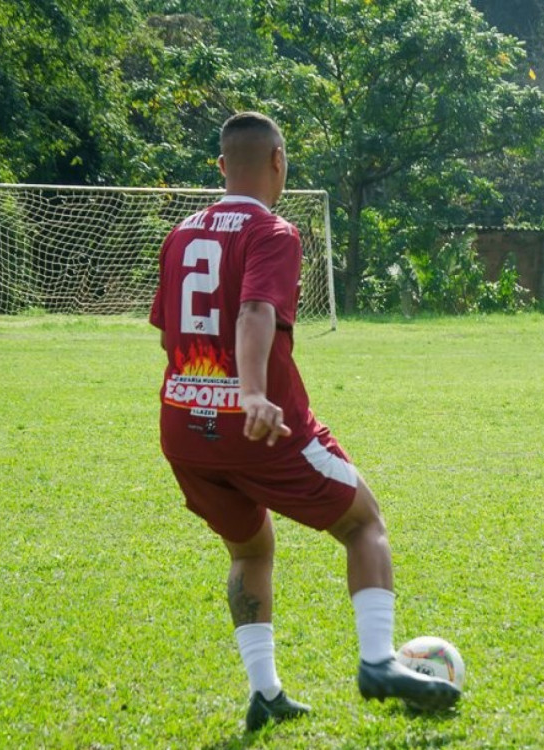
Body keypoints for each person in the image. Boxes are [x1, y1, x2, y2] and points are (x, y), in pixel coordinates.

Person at [150, 112, 459, 733]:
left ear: (220, 166)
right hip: (260, 426)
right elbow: (256, 310)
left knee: (250, 548)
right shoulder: (274, 230)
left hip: (182, 424)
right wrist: (255, 394)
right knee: (363, 522)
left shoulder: (180, 234)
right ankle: (377, 662)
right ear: (279, 162)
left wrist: (208, 395)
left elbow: (169, 332)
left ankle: (265, 694)